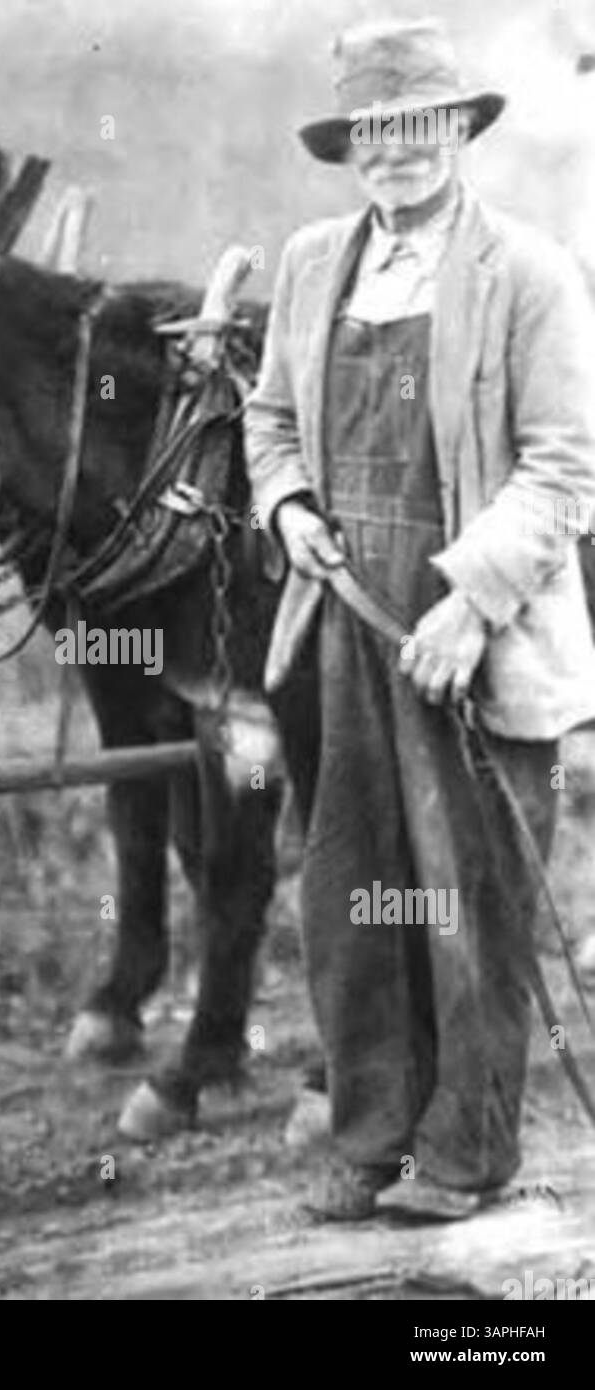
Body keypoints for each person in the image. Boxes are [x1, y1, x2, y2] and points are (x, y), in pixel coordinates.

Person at [245, 17, 595, 1220]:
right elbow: (269, 420)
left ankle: (461, 1155)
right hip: (348, 630)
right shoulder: (310, 264)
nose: (395, 151)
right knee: (352, 892)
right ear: (351, 145)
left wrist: (469, 603)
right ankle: (373, 1140)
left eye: (418, 125)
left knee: (469, 902)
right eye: (373, 131)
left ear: (458, 130)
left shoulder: (529, 274)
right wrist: (287, 505)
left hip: (474, 642)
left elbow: (562, 468)